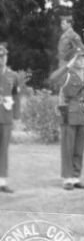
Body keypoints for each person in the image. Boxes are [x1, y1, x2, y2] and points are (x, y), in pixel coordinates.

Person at [50, 48, 84, 190]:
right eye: (78, 58)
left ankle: (76, 177)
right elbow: (53, 78)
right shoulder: (67, 75)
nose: (81, 61)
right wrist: (68, 65)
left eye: (82, 58)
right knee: (68, 148)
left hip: (83, 114)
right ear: (73, 60)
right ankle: (67, 178)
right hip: (69, 114)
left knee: (79, 148)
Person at [0, 43, 22, 193]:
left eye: (4, 56)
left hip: (6, 117)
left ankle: (2, 181)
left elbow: (16, 96)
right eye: (0, 57)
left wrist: (16, 115)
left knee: (4, 151)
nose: (2, 59)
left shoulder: (12, 75)